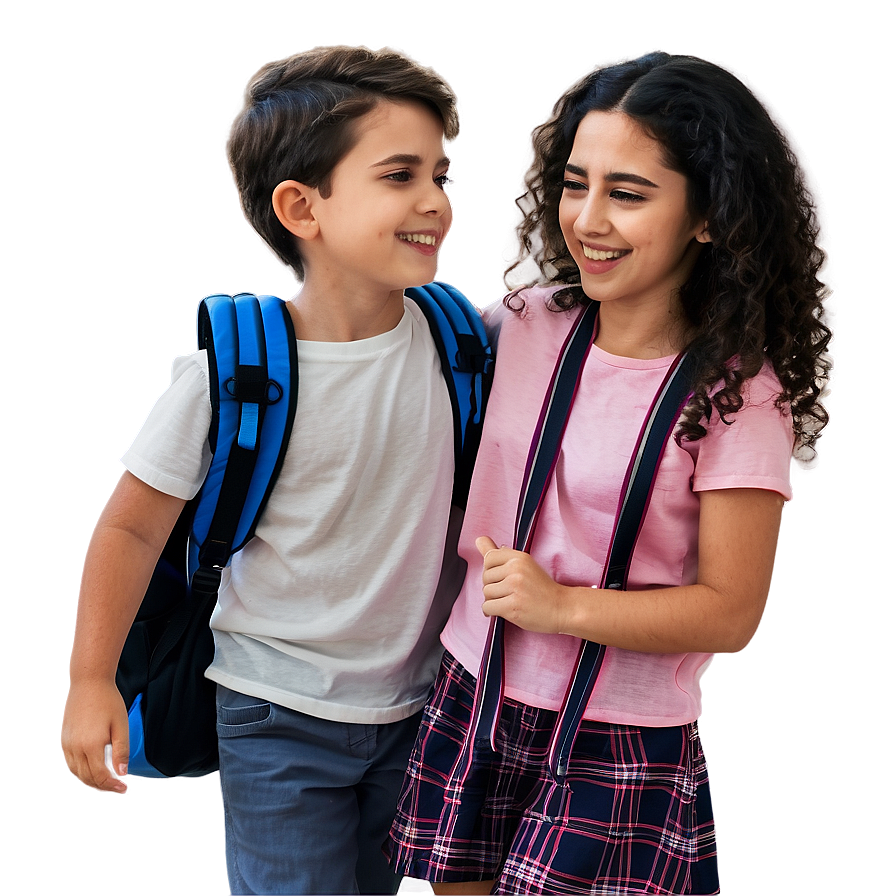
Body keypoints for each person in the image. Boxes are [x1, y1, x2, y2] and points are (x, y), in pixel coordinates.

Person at [385, 51, 832, 895]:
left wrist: (562, 607)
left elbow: (730, 612)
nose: (586, 220)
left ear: (709, 215)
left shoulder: (738, 394)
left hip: (618, 737)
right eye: (575, 183)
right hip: (475, 689)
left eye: (627, 194)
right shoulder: (519, 325)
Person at [62, 45, 467, 895]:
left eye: (442, 174)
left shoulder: (459, 343)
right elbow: (132, 527)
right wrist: (90, 679)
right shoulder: (230, 375)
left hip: (423, 705)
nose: (436, 201)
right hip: (273, 713)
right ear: (300, 206)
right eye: (400, 175)